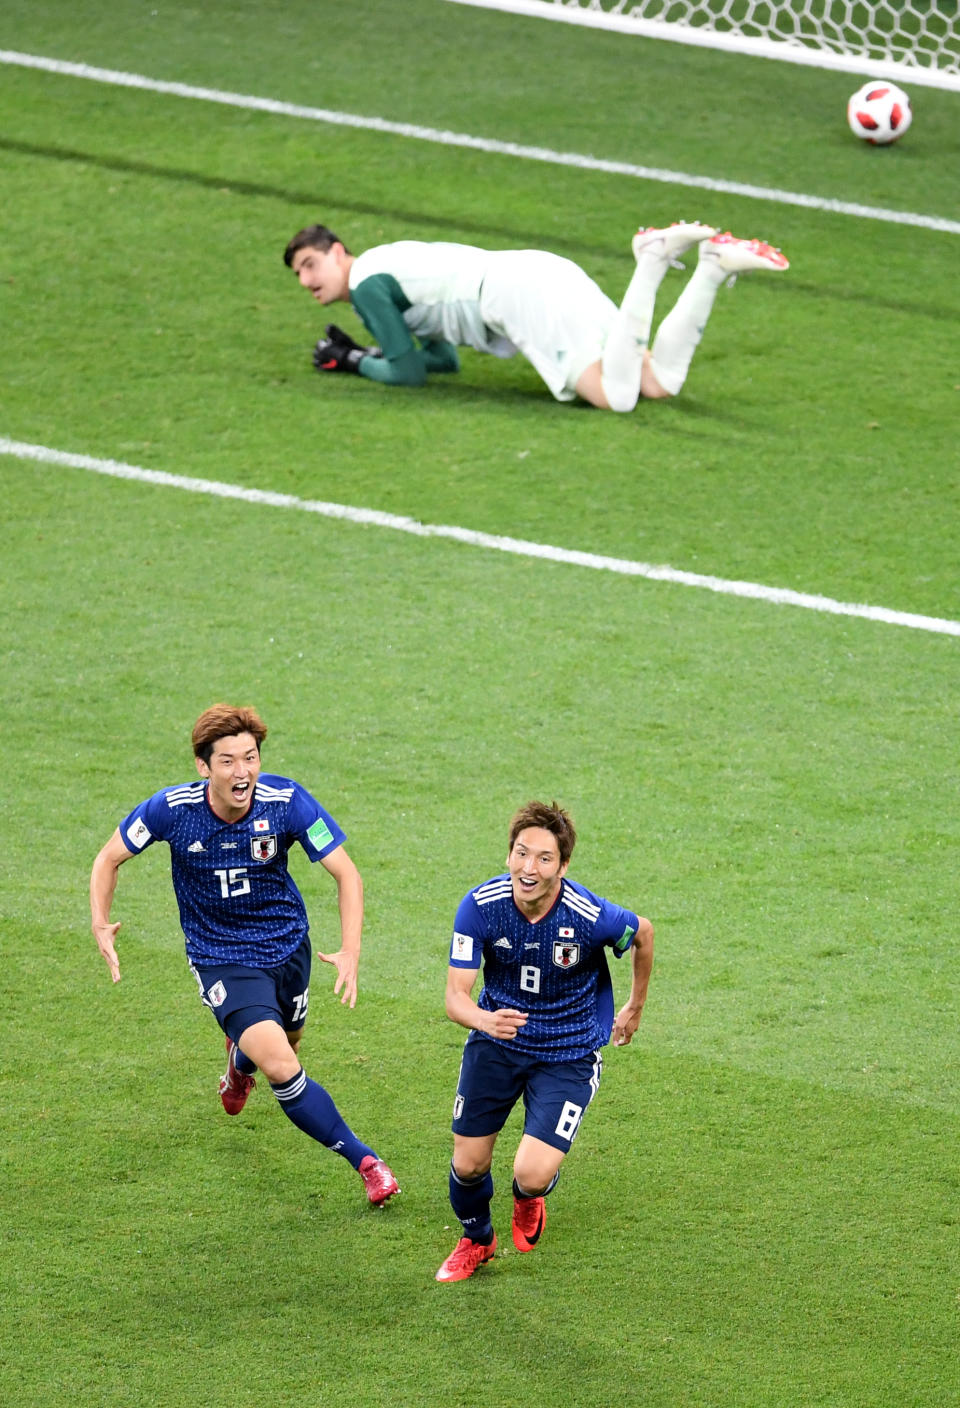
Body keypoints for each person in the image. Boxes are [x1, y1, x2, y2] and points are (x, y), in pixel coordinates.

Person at [89, 703, 399, 1207]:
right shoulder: (172, 810)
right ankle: (367, 1162)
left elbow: (348, 874)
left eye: (250, 758)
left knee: (290, 1042)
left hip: (287, 946)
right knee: (281, 1065)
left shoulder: (287, 801)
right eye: (228, 761)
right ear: (203, 766)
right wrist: (100, 920)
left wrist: (351, 950)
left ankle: (238, 1065)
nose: (243, 772)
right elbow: (109, 858)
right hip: (222, 957)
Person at [434, 800, 654, 1282]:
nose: (528, 868)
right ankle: (477, 1239)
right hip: (498, 1041)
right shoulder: (480, 907)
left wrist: (634, 1006)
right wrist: (484, 1022)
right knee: (468, 1164)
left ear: (563, 866)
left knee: (531, 1173)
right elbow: (456, 996)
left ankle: (528, 1198)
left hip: (568, 1052)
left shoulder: (589, 915)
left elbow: (643, 934)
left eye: (544, 858)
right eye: (520, 853)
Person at [283, 219, 788, 411]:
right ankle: (712, 269)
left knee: (617, 397)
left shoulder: (368, 285)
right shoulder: (386, 268)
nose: (308, 281)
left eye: (311, 264)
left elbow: (410, 374)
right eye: (299, 275)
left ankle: (653, 258)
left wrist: (353, 362)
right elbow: (442, 361)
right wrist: (373, 352)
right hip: (538, 270)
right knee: (654, 382)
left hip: (514, 295)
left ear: (338, 252)